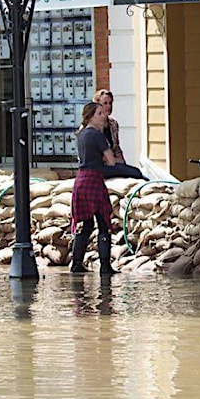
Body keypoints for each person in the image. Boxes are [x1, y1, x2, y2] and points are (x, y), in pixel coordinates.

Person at [70, 102, 119, 275]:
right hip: (94, 180)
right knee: (103, 223)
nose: (103, 116)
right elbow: (111, 160)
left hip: (81, 180)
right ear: (91, 116)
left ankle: (76, 263)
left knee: (86, 223)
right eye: (99, 113)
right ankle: (105, 266)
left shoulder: (81, 135)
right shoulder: (97, 135)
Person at [93, 90, 146, 180]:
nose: (108, 106)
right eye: (105, 103)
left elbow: (116, 147)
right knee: (135, 173)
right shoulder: (92, 125)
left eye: (110, 103)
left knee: (135, 173)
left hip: (112, 164)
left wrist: (122, 163)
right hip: (97, 167)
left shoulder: (113, 124)